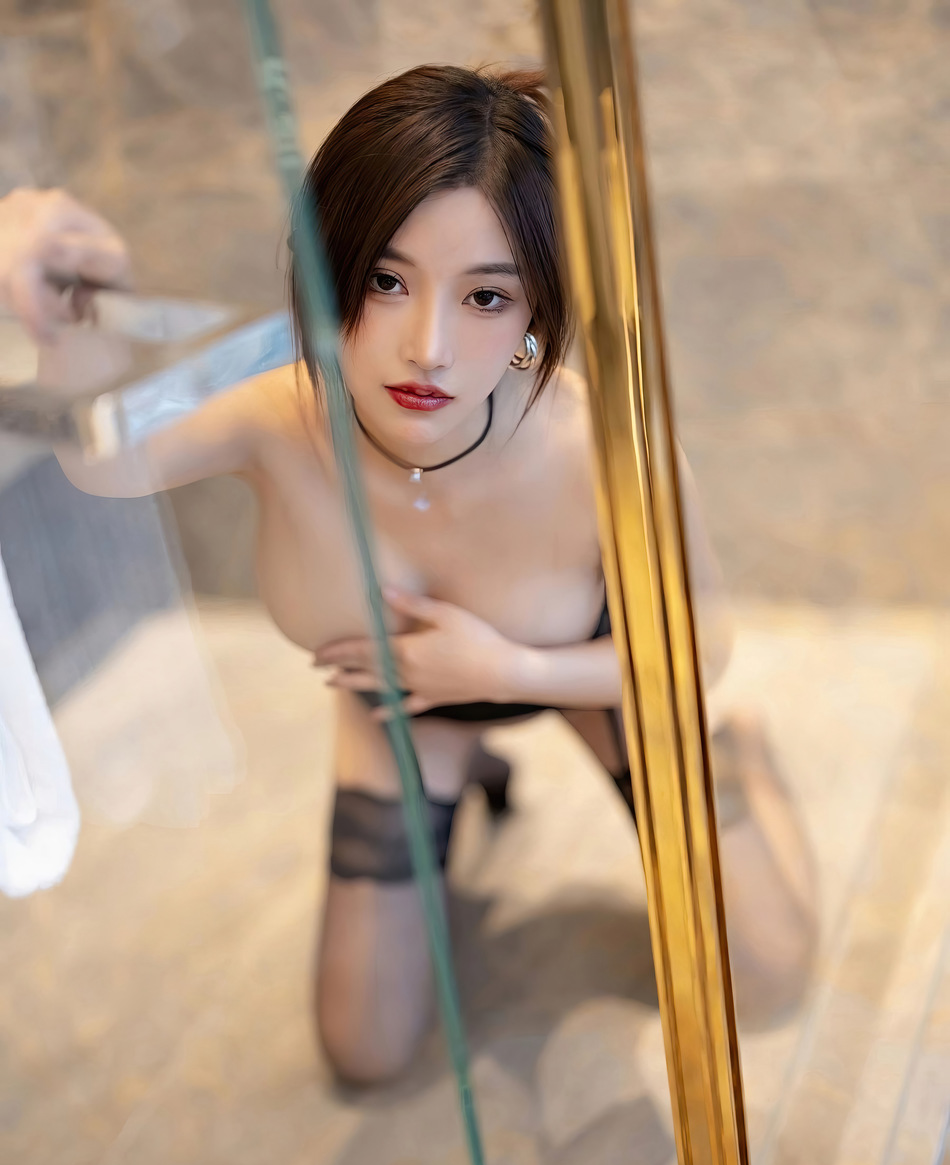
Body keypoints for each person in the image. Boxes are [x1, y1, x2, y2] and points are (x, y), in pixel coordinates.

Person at [0, 67, 817, 1083]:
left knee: (767, 977)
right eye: (386, 281)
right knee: (365, 1050)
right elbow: (106, 465)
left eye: (485, 297)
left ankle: (744, 758)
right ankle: (455, 776)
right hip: (399, 706)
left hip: (594, 677)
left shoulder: (595, 442)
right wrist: (67, 314)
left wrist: (512, 668)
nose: (426, 348)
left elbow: (701, 647)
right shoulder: (281, 415)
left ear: (534, 313)